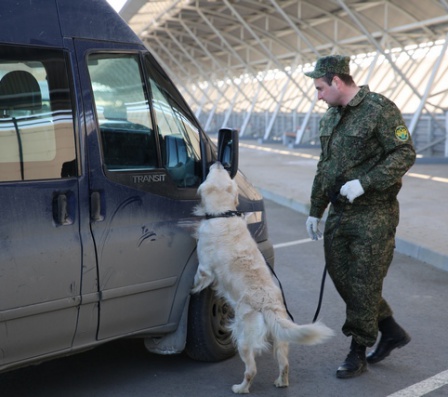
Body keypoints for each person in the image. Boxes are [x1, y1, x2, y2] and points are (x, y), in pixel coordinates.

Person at [303, 55, 415, 379]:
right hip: (340, 213)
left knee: (364, 283)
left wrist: (365, 183)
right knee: (344, 279)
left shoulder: (379, 108)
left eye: (320, 88)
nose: (318, 95)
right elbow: (325, 167)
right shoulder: (330, 117)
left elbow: (405, 153)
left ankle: (357, 350)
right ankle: (390, 329)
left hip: (374, 214)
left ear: (337, 81)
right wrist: (315, 210)